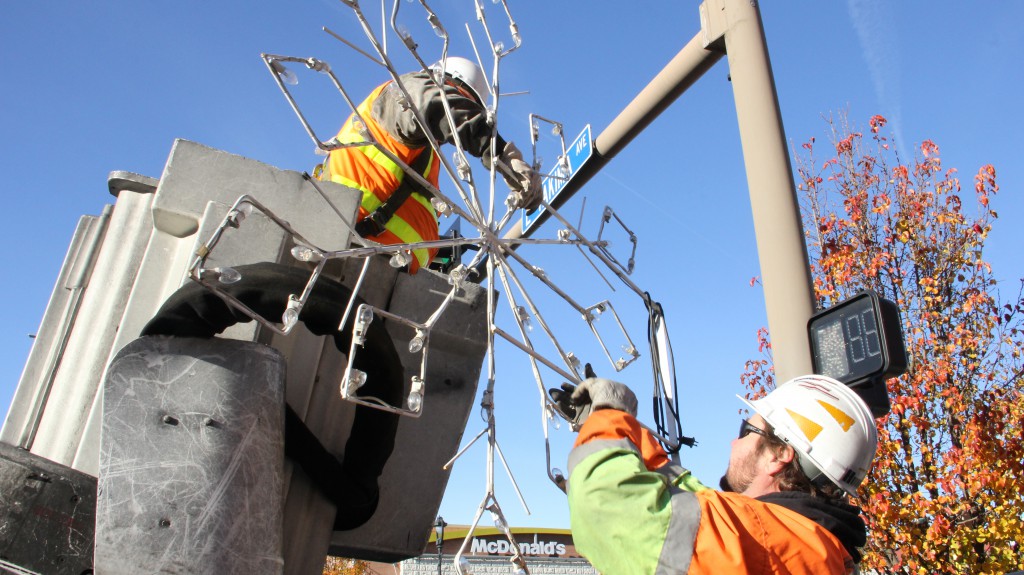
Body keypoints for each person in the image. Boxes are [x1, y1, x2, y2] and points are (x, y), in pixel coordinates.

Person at [561, 374, 875, 574]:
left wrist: (609, 417)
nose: (734, 441)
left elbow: (606, 502)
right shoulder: (816, 550)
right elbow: (697, 512)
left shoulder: (761, 539)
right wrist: (628, 442)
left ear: (778, 455)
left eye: (747, 430)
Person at [318, 56, 542, 273]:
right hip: (348, 248)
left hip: (381, 267)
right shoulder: (401, 96)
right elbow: (435, 104)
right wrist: (502, 153)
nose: (463, 110)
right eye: (460, 99)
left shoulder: (422, 153)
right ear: (441, 81)